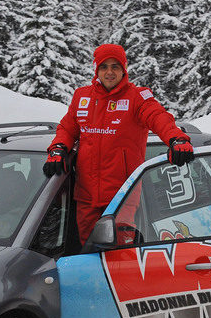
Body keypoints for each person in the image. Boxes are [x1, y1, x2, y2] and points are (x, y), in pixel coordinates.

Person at [43, 43, 194, 243]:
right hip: (86, 195)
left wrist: (177, 139)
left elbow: (159, 117)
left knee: (119, 256)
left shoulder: (137, 97)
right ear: (96, 70)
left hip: (122, 196)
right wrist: (58, 149)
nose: (110, 72)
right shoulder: (82, 97)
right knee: (88, 253)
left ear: (124, 69)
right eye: (104, 67)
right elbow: (67, 128)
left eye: (115, 66)